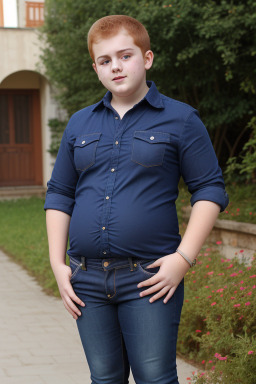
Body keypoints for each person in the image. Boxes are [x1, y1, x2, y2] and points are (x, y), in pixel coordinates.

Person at [44, 15, 229, 384]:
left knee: (155, 377)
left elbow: (210, 189)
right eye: (105, 60)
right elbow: (60, 193)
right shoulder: (79, 123)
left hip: (149, 278)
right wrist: (56, 263)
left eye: (124, 56)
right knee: (104, 378)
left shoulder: (181, 119)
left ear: (146, 58)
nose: (115, 66)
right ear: (95, 68)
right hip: (86, 281)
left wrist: (183, 259)